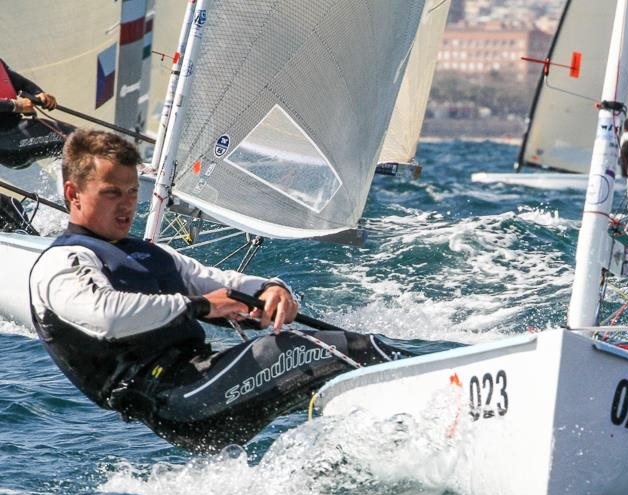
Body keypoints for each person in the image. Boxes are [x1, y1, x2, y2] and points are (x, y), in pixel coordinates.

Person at [29, 128, 413, 452]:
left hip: (205, 387)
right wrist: (199, 307)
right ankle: (433, 393)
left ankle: (406, 446)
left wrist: (271, 289)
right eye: (112, 193)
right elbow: (105, 315)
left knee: (342, 383)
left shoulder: (150, 254)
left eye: (132, 192)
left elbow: (216, 281)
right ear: (73, 194)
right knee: (334, 350)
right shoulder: (62, 262)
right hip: (176, 399)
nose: (127, 205)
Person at [0, 58, 74, 169]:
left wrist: (38, 93)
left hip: (15, 135)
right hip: (6, 140)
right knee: (81, 142)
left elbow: (22, 83)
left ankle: (66, 176)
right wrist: (16, 105)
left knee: (79, 142)